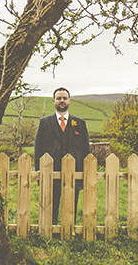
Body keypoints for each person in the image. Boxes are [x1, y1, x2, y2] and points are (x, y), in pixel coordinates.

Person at [34, 87, 90, 224]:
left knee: (71, 203)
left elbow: (85, 149)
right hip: (50, 171)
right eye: (59, 98)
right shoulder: (44, 123)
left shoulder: (80, 124)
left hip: (74, 172)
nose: (62, 101)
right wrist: (38, 171)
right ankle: (51, 228)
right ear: (53, 101)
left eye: (64, 98)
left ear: (69, 100)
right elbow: (38, 149)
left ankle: (69, 228)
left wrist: (84, 172)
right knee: (50, 203)